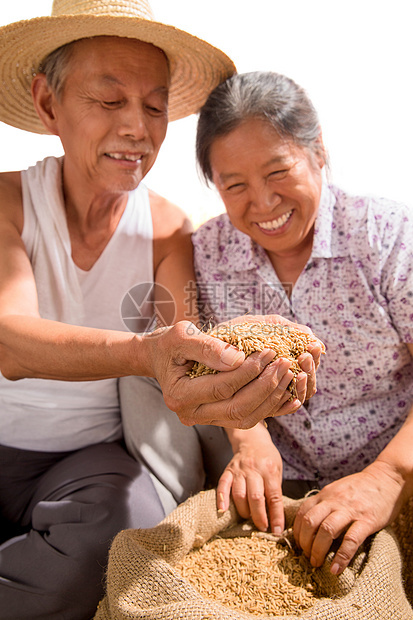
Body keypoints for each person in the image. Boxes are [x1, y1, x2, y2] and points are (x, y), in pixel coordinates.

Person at [0, 2, 321, 618]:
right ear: (48, 104)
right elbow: (11, 345)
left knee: (123, 541)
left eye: (154, 106)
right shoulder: (8, 202)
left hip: (85, 458)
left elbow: (192, 347)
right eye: (108, 100)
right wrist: (144, 351)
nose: (137, 129)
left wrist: (249, 429)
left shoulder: (168, 229)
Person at [192, 71, 413, 578]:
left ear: (319, 152)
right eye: (235, 185)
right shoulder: (208, 253)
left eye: (278, 171)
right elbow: (206, 366)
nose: (264, 203)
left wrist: (388, 477)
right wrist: (248, 439)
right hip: (282, 491)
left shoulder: (387, 236)